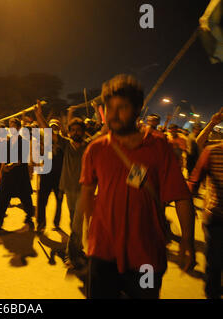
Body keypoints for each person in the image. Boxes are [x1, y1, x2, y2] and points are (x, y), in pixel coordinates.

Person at [78, 74, 196, 299]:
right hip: (103, 255)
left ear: (137, 108)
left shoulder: (158, 146)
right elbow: (86, 194)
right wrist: (93, 232)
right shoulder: (96, 149)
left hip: (147, 257)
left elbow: (181, 196)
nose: (113, 114)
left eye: (121, 107)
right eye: (109, 108)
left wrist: (188, 241)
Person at [34, 102, 88, 268]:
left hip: (84, 190)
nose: (76, 133)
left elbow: (104, 132)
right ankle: (76, 250)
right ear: (70, 132)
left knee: (77, 223)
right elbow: (48, 132)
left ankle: (71, 255)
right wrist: (39, 116)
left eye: (79, 130)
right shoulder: (65, 144)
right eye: (73, 130)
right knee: (74, 223)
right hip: (69, 189)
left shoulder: (89, 146)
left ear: (83, 132)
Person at [188, 140, 223, 299]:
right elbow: (195, 181)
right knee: (215, 264)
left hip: (214, 216)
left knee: (215, 264)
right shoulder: (212, 151)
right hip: (216, 217)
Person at [0, 118, 35, 231]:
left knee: (25, 197)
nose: (11, 129)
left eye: (14, 126)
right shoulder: (7, 141)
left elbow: (22, 159)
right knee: (3, 198)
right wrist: (1, 172)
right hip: (8, 175)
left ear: (19, 128)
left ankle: (29, 215)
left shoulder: (23, 142)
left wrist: (11, 165)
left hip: (19, 174)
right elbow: (3, 158)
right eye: (10, 126)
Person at [34, 118, 64, 233]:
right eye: (52, 127)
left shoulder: (63, 142)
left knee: (59, 200)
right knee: (42, 201)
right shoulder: (44, 142)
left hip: (59, 177)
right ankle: (41, 223)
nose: (53, 130)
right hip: (46, 175)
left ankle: (56, 222)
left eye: (55, 127)